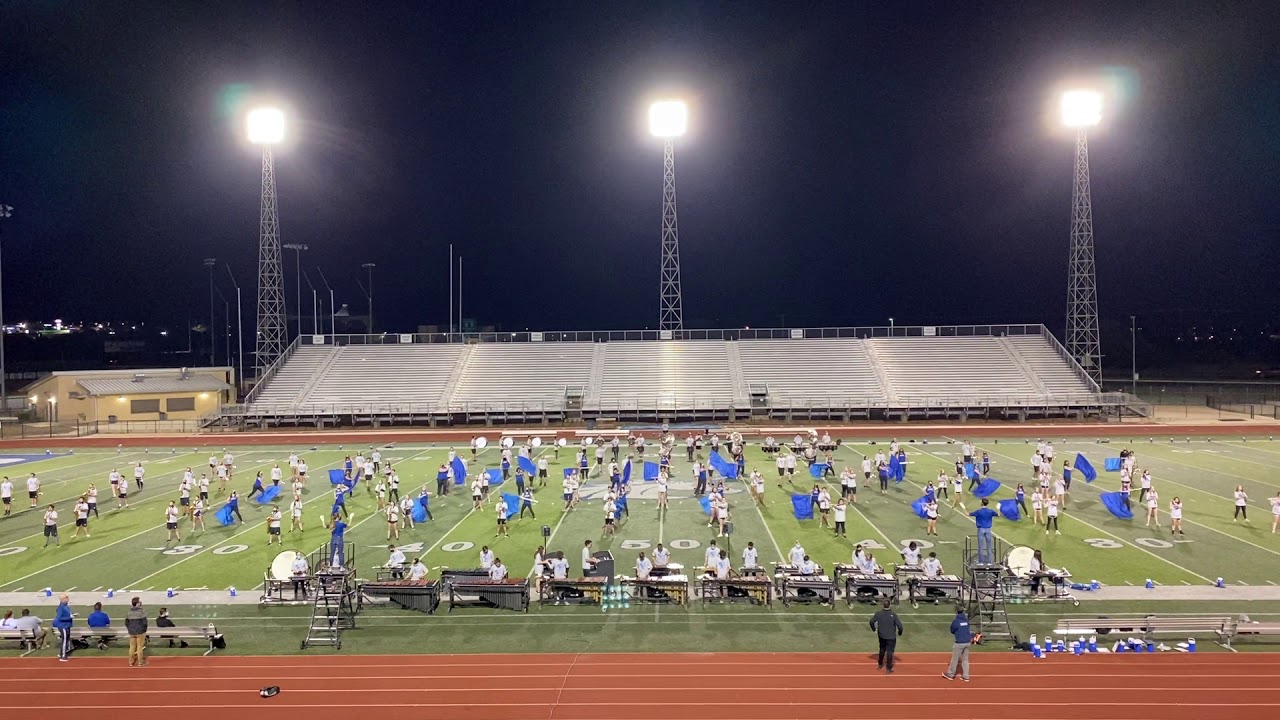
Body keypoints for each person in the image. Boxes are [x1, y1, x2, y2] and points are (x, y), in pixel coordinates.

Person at [869, 599, 903, 673]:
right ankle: (888, 668)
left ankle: (880, 664)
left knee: (882, 649)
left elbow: (871, 621)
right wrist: (900, 632)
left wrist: (874, 629)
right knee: (890, 652)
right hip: (891, 636)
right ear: (890, 605)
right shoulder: (893, 615)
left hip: (882, 635)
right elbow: (900, 626)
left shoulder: (879, 613)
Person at [943, 606, 972, 681]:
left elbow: (952, 630)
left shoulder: (956, 621)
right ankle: (966, 676)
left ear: (956, 612)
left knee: (955, 659)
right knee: (965, 659)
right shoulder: (966, 620)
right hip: (967, 641)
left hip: (960, 642)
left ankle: (951, 674)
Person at [969, 499, 998, 563]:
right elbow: (998, 515)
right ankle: (990, 561)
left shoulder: (979, 511)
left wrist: (963, 508)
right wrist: (998, 508)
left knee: (981, 546)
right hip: (988, 529)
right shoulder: (990, 511)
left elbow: (968, 514)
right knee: (989, 546)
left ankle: (981, 562)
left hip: (981, 529)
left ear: (982, 503)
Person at [125, 597, 148, 667]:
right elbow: (145, 623)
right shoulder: (141, 612)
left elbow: (126, 622)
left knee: (132, 647)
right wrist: (144, 630)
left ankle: (130, 662)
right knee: (139, 647)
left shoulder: (129, 612)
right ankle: (140, 662)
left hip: (131, 632)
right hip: (140, 632)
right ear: (137, 604)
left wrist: (130, 629)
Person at [52, 593, 73, 661]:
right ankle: (63, 656)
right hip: (63, 626)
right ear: (63, 599)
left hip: (67, 625)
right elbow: (59, 618)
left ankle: (62, 653)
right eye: (66, 597)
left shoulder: (66, 606)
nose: (68, 598)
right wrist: (69, 617)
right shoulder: (61, 607)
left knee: (66, 640)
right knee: (64, 640)